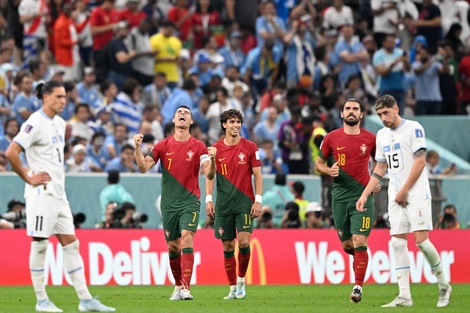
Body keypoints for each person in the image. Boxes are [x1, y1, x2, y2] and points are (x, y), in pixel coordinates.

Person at [5, 80, 115, 312]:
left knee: (71, 245)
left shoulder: (60, 122)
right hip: (41, 193)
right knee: (40, 245)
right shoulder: (34, 122)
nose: (63, 101)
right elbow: (12, 152)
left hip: (58, 194)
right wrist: (28, 176)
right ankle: (41, 301)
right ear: (46, 97)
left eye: (65, 96)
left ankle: (85, 300)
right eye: (58, 97)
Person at [356, 94, 452, 308]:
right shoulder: (381, 135)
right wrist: (365, 194)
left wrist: (405, 190)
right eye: (379, 114)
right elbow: (380, 168)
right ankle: (404, 296)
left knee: (421, 241)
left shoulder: (413, 128)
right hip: (396, 194)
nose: (383, 118)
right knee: (397, 242)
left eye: (386, 113)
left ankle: (444, 284)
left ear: (396, 109)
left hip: (415, 192)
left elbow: (420, 162)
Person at [133, 105, 216, 300]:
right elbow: (143, 167)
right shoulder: (162, 145)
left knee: (187, 236)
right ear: (173, 120)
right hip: (169, 204)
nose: (182, 114)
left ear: (191, 121)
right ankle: (178, 286)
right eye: (179, 112)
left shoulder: (199, 147)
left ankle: (186, 288)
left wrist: (212, 160)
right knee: (172, 247)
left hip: (190, 201)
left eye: (186, 113)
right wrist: (137, 148)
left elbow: (209, 173)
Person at [315, 98, 377, 303]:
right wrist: (327, 170)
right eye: (348, 109)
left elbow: (380, 164)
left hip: (363, 197)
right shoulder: (331, 138)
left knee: (360, 241)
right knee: (348, 245)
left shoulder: (371, 139)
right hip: (340, 198)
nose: (351, 112)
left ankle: (357, 287)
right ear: (341, 114)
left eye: (355, 109)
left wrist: (377, 181)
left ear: (361, 114)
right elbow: (318, 164)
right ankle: (362, 259)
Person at [205, 109, 262, 300]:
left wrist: (258, 200)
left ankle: (241, 282)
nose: (236, 125)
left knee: (244, 242)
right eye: (231, 122)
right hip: (223, 204)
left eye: (238, 122)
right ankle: (231, 288)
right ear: (224, 125)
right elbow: (210, 176)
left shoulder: (250, 147)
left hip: (244, 202)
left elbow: (258, 175)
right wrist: (209, 199)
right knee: (228, 246)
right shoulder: (215, 148)